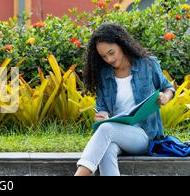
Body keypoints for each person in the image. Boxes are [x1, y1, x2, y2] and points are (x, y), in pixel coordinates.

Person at [75, 23, 175, 176]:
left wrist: (165, 96)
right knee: (105, 149)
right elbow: (102, 107)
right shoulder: (104, 74)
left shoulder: (147, 64)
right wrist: (102, 114)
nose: (109, 59)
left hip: (144, 135)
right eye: (103, 56)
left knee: (106, 129)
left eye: (111, 52)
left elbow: (168, 87)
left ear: (122, 44)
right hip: (117, 134)